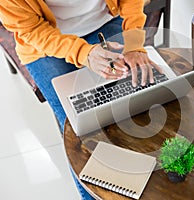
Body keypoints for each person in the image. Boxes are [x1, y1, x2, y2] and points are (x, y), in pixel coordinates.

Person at [0, 0, 161, 199]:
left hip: (104, 21)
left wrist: (134, 43)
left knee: (129, 110)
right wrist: (84, 53)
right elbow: (32, 30)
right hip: (43, 41)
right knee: (78, 129)